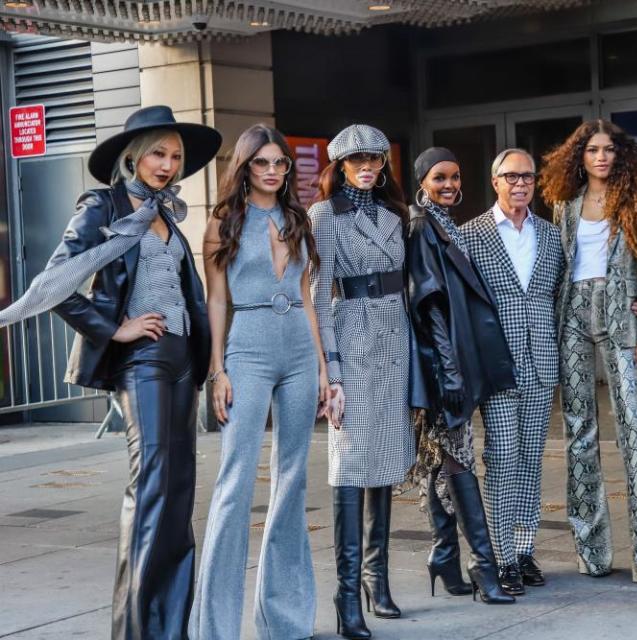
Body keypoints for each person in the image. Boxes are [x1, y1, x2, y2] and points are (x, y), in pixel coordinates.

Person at [0, 106, 220, 638]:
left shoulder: (167, 212)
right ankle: (137, 630)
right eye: (157, 154)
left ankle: (171, 626)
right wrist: (113, 326)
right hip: (141, 361)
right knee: (150, 488)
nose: (167, 164)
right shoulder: (103, 205)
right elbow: (55, 281)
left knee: (180, 493)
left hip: (181, 360)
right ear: (132, 157)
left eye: (175, 156)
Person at [189, 125, 328, 639]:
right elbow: (216, 300)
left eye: (281, 164)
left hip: (296, 344)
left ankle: (286, 621)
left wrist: (320, 366)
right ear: (244, 167)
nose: (273, 171)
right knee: (235, 482)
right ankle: (216, 627)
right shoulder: (223, 221)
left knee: (292, 481)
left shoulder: (296, 219)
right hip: (246, 347)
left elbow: (307, 296)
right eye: (262, 163)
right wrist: (217, 369)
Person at [540, 119, 637, 585]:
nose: (601, 157)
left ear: (621, 155)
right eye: (592, 150)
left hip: (622, 318)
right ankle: (592, 552)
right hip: (573, 318)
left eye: (608, 150)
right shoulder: (565, 204)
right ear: (579, 157)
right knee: (579, 433)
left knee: (634, 432)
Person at [309, 124, 415, 639]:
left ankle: (378, 575)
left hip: (394, 339)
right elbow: (316, 292)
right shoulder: (325, 215)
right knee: (350, 464)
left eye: (374, 158)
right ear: (340, 166)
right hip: (351, 335)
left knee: (386, 462)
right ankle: (346, 594)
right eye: (356, 161)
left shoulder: (397, 214)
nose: (367, 166)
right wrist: (331, 369)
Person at [406, 147, 517, 604]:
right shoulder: (421, 225)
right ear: (422, 183)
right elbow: (429, 304)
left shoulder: (446, 223)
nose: (449, 185)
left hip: (453, 362)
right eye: (439, 179)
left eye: (454, 177)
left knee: (440, 457)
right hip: (441, 366)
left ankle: (445, 555)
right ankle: (483, 568)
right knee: (457, 459)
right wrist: (448, 374)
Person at [460, 148, 565, 596]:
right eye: (511, 176)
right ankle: (498, 556)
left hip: (541, 360)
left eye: (527, 176)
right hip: (497, 363)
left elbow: (559, 295)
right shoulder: (470, 235)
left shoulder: (551, 233)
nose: (520, 183)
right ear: (495, 181)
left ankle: (523, 550)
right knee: (502, 458)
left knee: (529, 461)